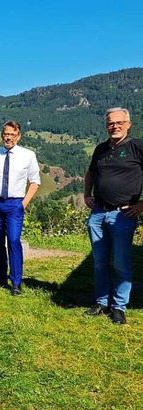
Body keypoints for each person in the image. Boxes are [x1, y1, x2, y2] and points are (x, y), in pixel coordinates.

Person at [83, 107, 143, 325]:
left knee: (120, 261)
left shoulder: (137, 147)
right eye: (110, 123)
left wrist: (142, 204)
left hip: (123, 214)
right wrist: (86, 195)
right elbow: (90, 173)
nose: (114, 126)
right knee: (99, 261)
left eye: (119, 122)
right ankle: (101, 302)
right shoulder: (100, 149)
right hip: (98, 213)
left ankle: (119, 306)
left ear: (129, 124)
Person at [0, 121, 40, 296]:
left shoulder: (28, 155)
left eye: (12, 135)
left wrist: (24, 203)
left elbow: (35, 181)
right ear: (2, 135)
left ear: (18, 136)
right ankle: (1, 278)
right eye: (6, 134)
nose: (8, 137)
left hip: (15, 203)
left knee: (14, 241)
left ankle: (16, 282)